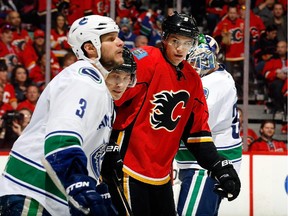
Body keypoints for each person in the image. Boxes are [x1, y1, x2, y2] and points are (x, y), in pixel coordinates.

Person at [108, 12, 241, 216]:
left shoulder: (192, 80)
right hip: (126, 167)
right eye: (175, 41)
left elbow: (196, 133)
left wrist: (218, 165)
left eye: (187, 43)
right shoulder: (145, 60)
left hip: (161, 176)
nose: (180, 49)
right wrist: (106, 144)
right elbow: (110, 96)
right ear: (165, 38)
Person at [0, 14, 126, 215]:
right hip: (33, 191)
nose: (120, 42)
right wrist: (80, 186)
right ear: (90, 48)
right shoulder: (83, 79)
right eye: (111, 38)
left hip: (51, 196)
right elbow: (61, 142)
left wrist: (95, 188)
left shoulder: (100, 87)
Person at [175, 34, 243, 216]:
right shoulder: (214, 77)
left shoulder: (213, 83)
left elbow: (194, 125)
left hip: (206, 166)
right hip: (204, 162)